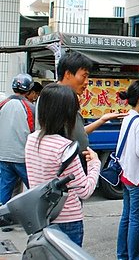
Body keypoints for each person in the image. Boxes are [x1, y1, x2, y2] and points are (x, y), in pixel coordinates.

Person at [25, 83, 100, 246]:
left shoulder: (32, 139)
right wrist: (95, 163)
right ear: (67, 114)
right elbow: (84, 191)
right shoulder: (65, 147)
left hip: (41, 217)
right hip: (68, 221)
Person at [53, 51, 125, 152]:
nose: (87, 82)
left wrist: (102, 120)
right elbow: (79, 140)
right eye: (84, 76)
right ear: (68, 74)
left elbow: (79, 134)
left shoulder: (48, 95)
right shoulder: (65, 99)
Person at [116, 80, 139, 260]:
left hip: (126, 174)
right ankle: (135, 257)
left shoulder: (128, 117)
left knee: (126, 218)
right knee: (136, 220)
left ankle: (123, 255)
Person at [0, 74, 36, 216]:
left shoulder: (2, 104)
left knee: (4, 190)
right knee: (35, 189)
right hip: (22, 157)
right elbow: (34, 131)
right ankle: (35, 219)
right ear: (29, 90)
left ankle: (3, 220)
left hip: (4, 156)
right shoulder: (30, 107)